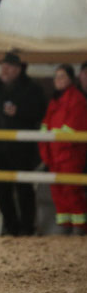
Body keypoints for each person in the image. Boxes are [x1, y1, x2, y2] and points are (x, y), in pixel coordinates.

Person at [0, 52, 47, 236]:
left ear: (18, 69)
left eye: (9, 66)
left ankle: (26, 227)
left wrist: (20, 112)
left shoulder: (32, 90)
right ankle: (11, 227)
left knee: (24, 189)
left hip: (22, 150)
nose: (4, 69)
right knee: (2, 190)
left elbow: (40, 113)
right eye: (3, 65)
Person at [39, 65, 87, 235]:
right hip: (54, 156)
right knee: (58, 193)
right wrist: (46, 151)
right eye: (56, 77)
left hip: (70, 156)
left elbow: (74, 127)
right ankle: (65, 227)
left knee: (72, 192)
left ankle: (79, 229)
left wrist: (52, 139)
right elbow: (45, 126)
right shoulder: (55, 101)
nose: (58, 80)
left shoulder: (77, 99)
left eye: (62, 77)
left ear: (71, 79)